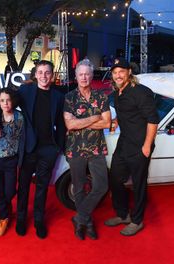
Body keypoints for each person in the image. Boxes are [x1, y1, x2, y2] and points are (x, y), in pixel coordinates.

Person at [0, 60, 66, 239]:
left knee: (42, 187)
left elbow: (61, 124)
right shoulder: (26, 91)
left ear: (52, 75)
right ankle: (22, 218)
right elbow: (2, 98)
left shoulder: (58, 96)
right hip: (28, 148)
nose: (44, 76)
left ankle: (39, 220)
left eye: (47, 72)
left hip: (48, 149)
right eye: (40, 72)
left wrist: (60, 147)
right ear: (35, 74)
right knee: (23, 186)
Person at [104, 57, 159, 236]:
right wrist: (115, 121)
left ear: (129, 72)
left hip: (140, 146)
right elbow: (126, 113)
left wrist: (147, 146)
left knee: (138, 184)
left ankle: (137, 221)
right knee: (115, 179)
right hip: (124, 142)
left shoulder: (141, 92)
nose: (118, 75)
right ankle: (123, 215)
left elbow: (152, 120)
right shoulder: (118, 92)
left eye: (121, 71)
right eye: (115, 72)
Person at [63, 60, 111, 240]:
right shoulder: (69, 98)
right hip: (75, 149)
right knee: (79, 187)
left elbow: (107, 123)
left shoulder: (102, 96)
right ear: (76, 76)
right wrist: (95, 117)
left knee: (101, 185)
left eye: (87, 74)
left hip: (97, 148)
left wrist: (80, 122)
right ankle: (87, 221)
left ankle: (79, 217)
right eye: (80, 74)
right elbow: (70, 124)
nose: (84, 77)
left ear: (92, 76)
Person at [0, 88, 24, 236]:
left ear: (13, 101)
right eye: (2, 100)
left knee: (9, 191)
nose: (5, 103)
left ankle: (6, 206)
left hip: (12, 160)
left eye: (8, 100)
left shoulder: (20, 118)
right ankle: (3, 217)